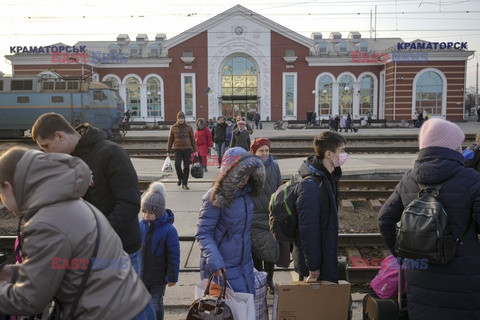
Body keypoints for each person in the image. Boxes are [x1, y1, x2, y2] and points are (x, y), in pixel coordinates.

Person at [0, 147, 154, 319]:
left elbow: (28, 300)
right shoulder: (66, 202)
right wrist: (11, 273)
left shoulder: (45, 223)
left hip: (110, 314)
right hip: (130, 306)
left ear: (7, 187)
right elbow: (58, 265)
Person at [378, 118, 480, 319]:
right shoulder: (472, 180)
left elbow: (384, 220)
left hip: (419, 275)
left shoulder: (409, 179)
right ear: (451, 147)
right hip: (465, 282)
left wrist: (403, 255)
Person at [31, 112, 143, 274]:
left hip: (120, 251)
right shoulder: (66, 162)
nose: (47, 153)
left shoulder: (112, 153)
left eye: (46, 146)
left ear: (60, 136)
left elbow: (130, 203)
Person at [195, 147, 266, 295]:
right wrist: (215, 261)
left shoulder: (247, 194)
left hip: (244, 265)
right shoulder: (214, 196)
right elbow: (203, 233)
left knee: (245, 308)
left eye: (247, 175)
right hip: (222, 268)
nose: (245, 179)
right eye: (240, 175)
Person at [293, 131, 346, 283]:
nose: (344, 155)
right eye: (341, 151)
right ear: (329, 154)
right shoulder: (311, 185)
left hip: (324, 255)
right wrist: (314, 267)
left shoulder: (329, 177)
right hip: (314, 266)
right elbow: (309, 229)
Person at [140, 181, 180, 320]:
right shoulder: (141, 226)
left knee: (156, 302)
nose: (146, 215)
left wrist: (172, 276)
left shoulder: (169, 231)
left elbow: (173, 255)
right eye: (144, 211)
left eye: (150, 213)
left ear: (159, 211)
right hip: (142, 274)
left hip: (158, 276)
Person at [249, 138, 284, 294]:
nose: (264, 153)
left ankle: (269, 280)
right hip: (254, 215)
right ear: (254, 152)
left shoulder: (274, 167)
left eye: (266, 150)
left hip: (270, 214)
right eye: (261, 151)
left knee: (271, 251)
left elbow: (279, 188)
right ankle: (258, 281)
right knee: (256, 250)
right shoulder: (249, 168)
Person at [166, 111, 197, 190]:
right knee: (177, 165)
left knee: (186, 167)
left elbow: (193, 139)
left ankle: (185, 183)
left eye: (182, 118)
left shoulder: (189, 127)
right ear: (177, 119)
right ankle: (180, 178)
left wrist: (195, 150)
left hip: (187, 149)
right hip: (177, 149)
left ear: (184, 119)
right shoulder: (173, 127)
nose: (181, 120)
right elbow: (170, 140)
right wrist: (168, 150)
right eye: (179, 118)